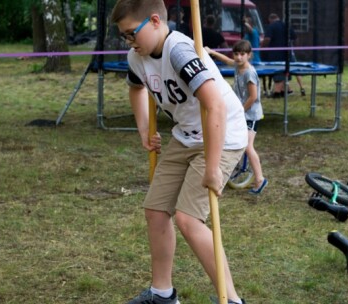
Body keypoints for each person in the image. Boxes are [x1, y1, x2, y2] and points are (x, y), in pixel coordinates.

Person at [110, 0, 248, 303]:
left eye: (132, 33)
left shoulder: (179, 51)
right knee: (156, 211)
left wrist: (213, 168)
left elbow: (216, 105)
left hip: (221, 135)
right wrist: (145, 130)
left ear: (156, 21)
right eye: (124, 36)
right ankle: (162, 294)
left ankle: (232, 300)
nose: (129, 42)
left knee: (188, 219)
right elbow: (136, 88)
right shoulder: (138, 57)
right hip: (185, 135)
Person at [206, 40, 268, 195]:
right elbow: (227, 61)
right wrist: (212, 52)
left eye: (242, 54)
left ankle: (260, 179)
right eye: (236, 54)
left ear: (249, 55)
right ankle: (235, 169)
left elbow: (253, 97)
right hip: (241, 113)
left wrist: (240, 110)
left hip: (250, 114)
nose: (239, 57)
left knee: (247, 146)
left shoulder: (249, 72)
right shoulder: (237, 65)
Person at [261, 13, 296, 97]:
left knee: (278, 72)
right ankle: (286, 90)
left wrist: (262, 46)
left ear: (270, 20)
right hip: (287, 54)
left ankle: (277, 92)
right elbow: (295, 38)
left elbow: (267, 39)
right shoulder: (286, 26)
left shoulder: (271, 26)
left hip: (275, 54)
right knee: (285, 71)